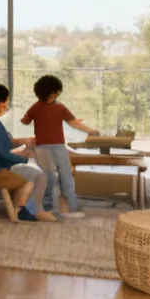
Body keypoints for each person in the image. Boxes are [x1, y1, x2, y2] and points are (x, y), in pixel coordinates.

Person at [0, 82, 51, 222]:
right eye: (6, 102)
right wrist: (25, 158)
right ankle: (20, 210)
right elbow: (4, 154)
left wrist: (21, 141)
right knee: (29, 180)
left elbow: (1, 144)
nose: (7, 106)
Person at [21, 75, 99, 219]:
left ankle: (70, 205)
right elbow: (74, 122)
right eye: (53, 94)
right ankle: (52, 207)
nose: (55, 96)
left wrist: (90, 131)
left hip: (53, 147)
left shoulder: (46, 107)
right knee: (52, 178)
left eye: (56, 94)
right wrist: (90, 130)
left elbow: (25, 121)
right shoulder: (48, 107)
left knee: (61, 176)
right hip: (45, 148)